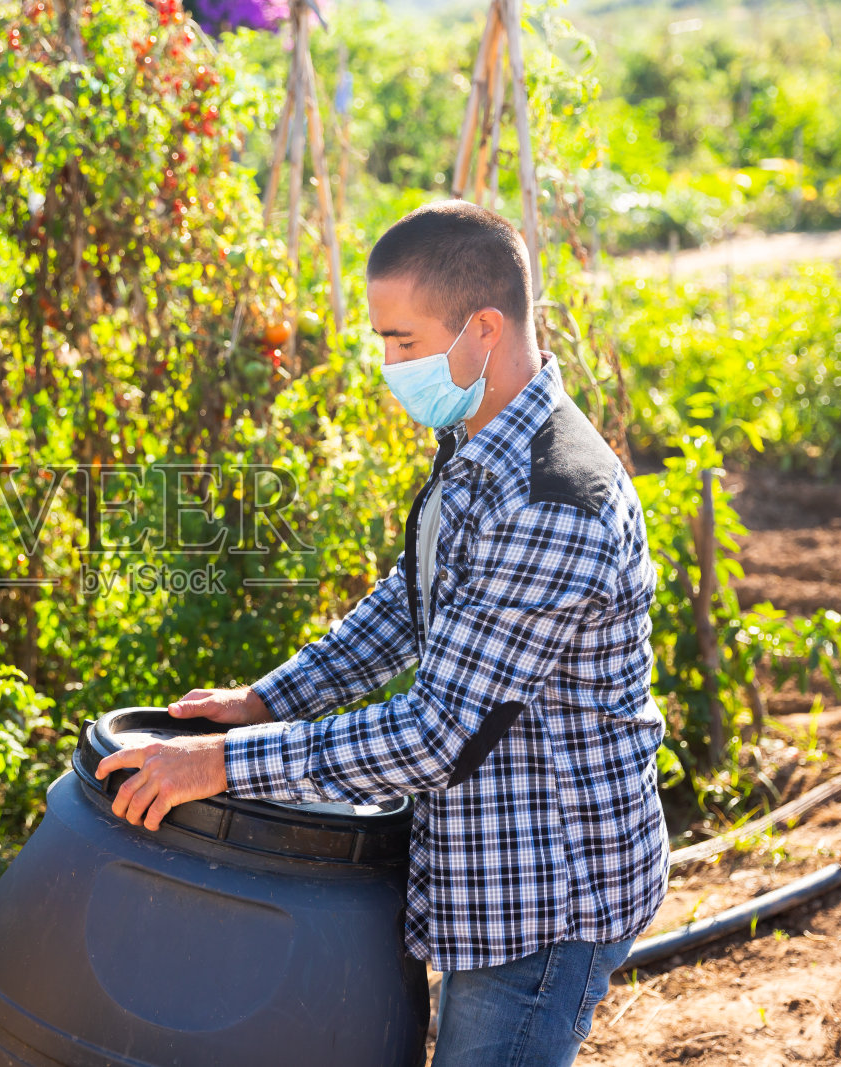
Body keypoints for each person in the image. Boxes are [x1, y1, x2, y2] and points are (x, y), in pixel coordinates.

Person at [94, 200, 669, 1067]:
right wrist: (265, 701)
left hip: (552, 899)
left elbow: (437, 734)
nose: (389, 364)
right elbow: (412, 601)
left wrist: (217, 765)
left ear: (483, 329)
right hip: (495, 876)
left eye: (403, 341)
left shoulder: (555, 501)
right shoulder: (476, 438)